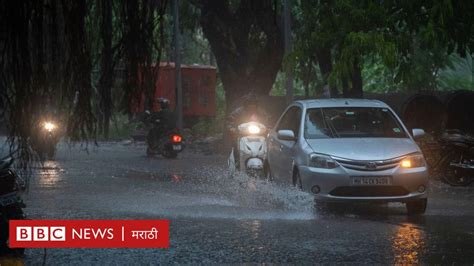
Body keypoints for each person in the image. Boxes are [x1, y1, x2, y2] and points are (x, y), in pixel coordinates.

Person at [226, 93, 269, 167]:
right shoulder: (238, 112)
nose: (252, 105)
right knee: (236, 145)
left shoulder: (261, 112)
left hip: (259, 136)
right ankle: (237, 163)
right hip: (241, 135)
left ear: (256, 104)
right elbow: (229, 121)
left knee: (269, 147)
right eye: (250, 103)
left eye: (254, 103)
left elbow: (268, 122)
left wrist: (268, 128)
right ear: (246, 104)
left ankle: (267, 166)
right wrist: (232, 129)